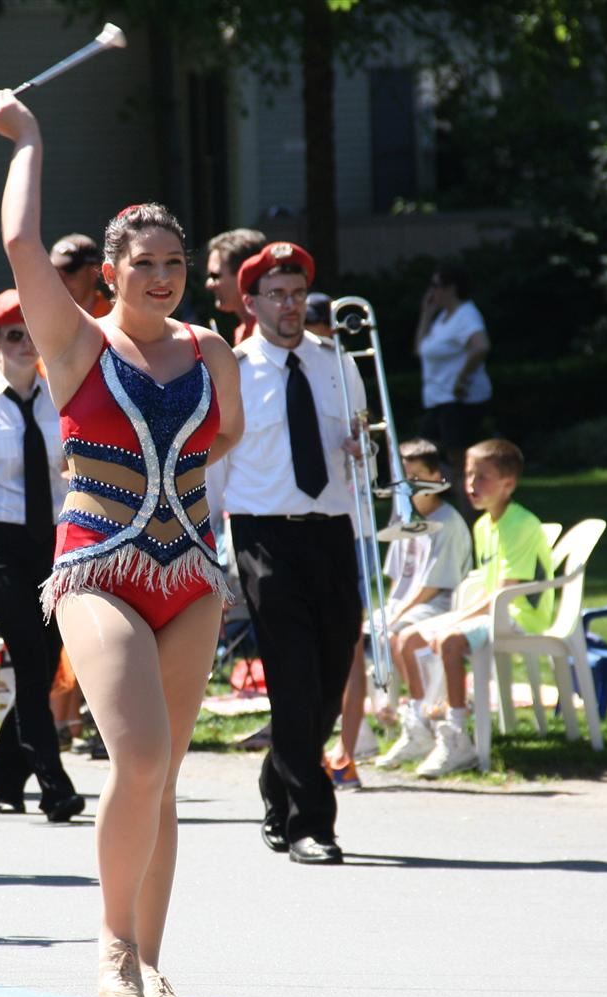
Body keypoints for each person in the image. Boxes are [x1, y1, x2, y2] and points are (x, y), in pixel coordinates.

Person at [0, 90, 243, 997]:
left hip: (193, 575)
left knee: (165, 772)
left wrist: (186, 513)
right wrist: (31, 139)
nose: (162, 278)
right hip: (99, 568)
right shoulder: (75, 344)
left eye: (174, 264)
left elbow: (223, 441)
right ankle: (111, 940)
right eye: (144, 265)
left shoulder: (213, 351)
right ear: (110, 274)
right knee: (136, 757)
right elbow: (18, 244)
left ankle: (152, 959)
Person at [211, 240, 364, 865]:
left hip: (332, 530)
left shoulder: (337, 364)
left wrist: (364, 454)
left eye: (298, 294)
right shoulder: (235, 368)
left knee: (329, 679)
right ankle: (311, 824)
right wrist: (213, 554)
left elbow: (360, 447)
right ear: (250, 302)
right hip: (263, 534)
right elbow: (215, 467)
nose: (290, 305)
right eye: (276, 295)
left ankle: (278, 778)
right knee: (294, 675)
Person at [0, 288, 83, 822]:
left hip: (55, 539)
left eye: (30, 332)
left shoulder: (62, 396)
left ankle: (4, 769)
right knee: (29, 654)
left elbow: (73, 468)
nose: (25, 343)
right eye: (12, 334)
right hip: (0, 541)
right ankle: (54, 783)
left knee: (44, 664)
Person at [387, 438, 553, 777]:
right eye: (468, 476)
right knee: (409, 639)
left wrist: (455, 620)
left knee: (450, 640)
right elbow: (488, 587)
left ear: (509, 484)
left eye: (482, 477)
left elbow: (507, 593)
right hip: (496, 612)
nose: (471, 485)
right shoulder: (483, 525)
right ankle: (423, 725)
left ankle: (457, 735)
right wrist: (455, 618)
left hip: (519, 617)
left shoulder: (520, 524)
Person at [341, 440, 473, 774]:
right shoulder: (404, 516)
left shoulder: (449, 522)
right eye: (405, 476)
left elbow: (432, 585)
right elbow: (398, 579)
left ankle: (418, 725)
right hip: (407, 604)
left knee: (396, 634)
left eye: (418, 477)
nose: (410, 486)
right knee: (348, 636)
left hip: (441, 604)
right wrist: (387, 611)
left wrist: (395, 615)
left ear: (435, 476)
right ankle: (365, 729)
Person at [413, 262, 491, 493]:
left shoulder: (466, 315)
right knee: (423, 456)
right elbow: (420, 349)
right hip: (440, 402)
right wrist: (426, 315)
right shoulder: (443, 317)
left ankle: (473, 514)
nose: (431, 292)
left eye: (436, 286)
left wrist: (461, 380)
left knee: (461, 464)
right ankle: (453, 499)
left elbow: (481, 347)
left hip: (458, 402)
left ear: (452, 288)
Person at [204, 227, 266, 344]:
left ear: (244, 275)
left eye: (215, 276)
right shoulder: (242, 332)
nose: (209, 284)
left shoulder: (275, 334)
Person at [50, 234, 112, 317]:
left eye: (70, 271)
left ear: (93, 272)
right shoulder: (37, 316)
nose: (61, 281)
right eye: (54, 273)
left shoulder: (114, 321)